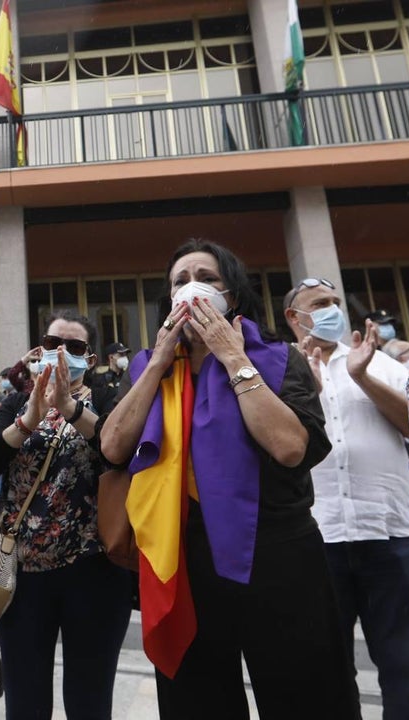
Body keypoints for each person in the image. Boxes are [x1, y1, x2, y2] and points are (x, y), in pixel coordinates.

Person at [100, 241, 359, 718]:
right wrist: (158, 363)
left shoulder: (278, 358)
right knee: (199, 703)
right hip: (184, 562)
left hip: (277, 554)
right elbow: (113, 447)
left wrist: (231, 356)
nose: (192, 287)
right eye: (180, 280)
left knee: (307, 697)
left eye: (207, 277)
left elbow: (290, 447)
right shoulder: (146, 367)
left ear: (232, 296)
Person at [285, 277, 409, 718]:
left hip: (392, 538)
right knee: (326, 683)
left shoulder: (384, 365)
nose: (333, 309)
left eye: (336, 301)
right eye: (320, 303)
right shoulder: (275, 372)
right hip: (317, 542)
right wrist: (304, 392)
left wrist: (363, 376)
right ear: (294, 319)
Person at [0, 309, 133, 720]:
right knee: (26, 704)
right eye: (52, 344)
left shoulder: (106, 402)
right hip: (23, 575)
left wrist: (70, 408)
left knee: (89, 701)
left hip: (95, 570)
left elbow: (117, 456)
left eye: (74, 347)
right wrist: (29, 419)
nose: (61, 353)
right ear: (38, 350)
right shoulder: (14, 403)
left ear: (90, 359)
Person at [89, 341, 130, 416]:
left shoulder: (128, 377)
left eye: (125, 354)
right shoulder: (100, 380)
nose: (125, 357)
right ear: (111, 357)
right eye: (121, 354)